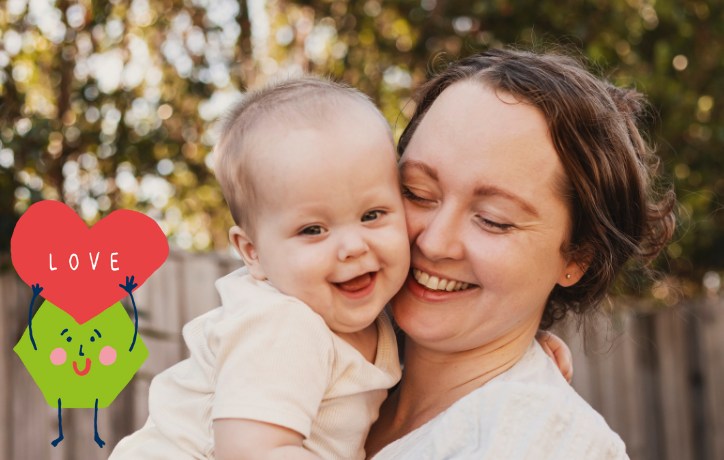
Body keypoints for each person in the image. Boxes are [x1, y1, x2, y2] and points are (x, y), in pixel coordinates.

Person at [110, 76, 573, 460]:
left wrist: (526, 342)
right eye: (312, 230)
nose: (353, 246)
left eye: (373, 215)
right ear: (252, 252)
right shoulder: (280, 326)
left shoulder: (363, 315)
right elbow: (251, 451)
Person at [364, 48, 675, 459]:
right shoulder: (332, 364)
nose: (434, 242)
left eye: (494, 219)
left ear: (578, 257)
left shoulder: (542, 441)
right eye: (416, 193)